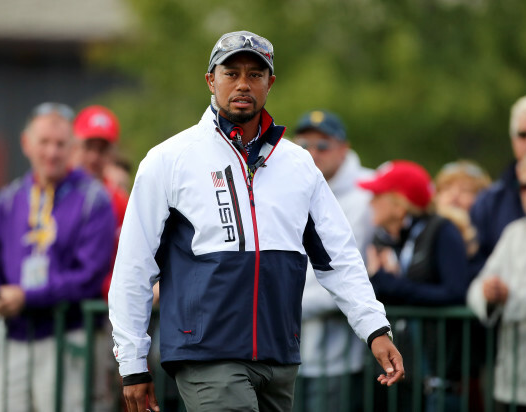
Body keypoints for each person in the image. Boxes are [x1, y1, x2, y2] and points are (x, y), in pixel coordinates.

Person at [109, 30, 404, 412]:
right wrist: (132, 362)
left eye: (255, 74)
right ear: (210, 80)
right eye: (231, 73)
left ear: (270, 83)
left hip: (279, 355)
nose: (243, 84)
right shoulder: (169, 159)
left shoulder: (299, 164)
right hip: (207, 353)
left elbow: (340, 257)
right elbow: (133, 265)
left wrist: (375, 329)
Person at [0, 102, 116, 412]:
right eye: (44, 142)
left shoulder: (94, 200)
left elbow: (87, 276)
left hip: (69, 336)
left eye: (60, 144)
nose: (52, 152)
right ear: (26, 144)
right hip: (14, 337)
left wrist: (26, 296)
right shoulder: (9, 199)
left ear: (72, 147)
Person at [358, 160, 471, 411]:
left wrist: (393, 285)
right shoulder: (385, 239)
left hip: (438, 378)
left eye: (377, 195)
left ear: (399, 204)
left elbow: (455, 293)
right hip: (404, 375)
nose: (370, 202)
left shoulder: (442, 230)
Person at [293, 110, 374, 412]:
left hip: (337, 359)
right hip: (285, 354)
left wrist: (284, 303)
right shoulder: (287, 186)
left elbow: (351, 276)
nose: (313, 153)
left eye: (323, 145)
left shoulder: (365, 195)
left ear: (343, 149)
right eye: (304, 145)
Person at [467, 149, 526, 411]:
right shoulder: (514, 233)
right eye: (524, 186)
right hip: (513, 381)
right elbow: (475, 290)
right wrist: (489, 294)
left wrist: (510, 298)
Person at [470, 95, 526, 276]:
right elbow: (473, 263)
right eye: (523, 135)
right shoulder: (489, 202)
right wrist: (495, 285)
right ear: (513, 140)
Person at [71, 105, 129, 300]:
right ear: (74, 146)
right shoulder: (58, 193)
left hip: (104, 302)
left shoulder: (118, 199)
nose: (94, 157)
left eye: (102, 150)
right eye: (89, 147)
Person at [434, 160, 490, 257]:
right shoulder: (423, 230)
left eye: (465, 190)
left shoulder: (488, 236)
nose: (454, 195)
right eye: (446, 188)